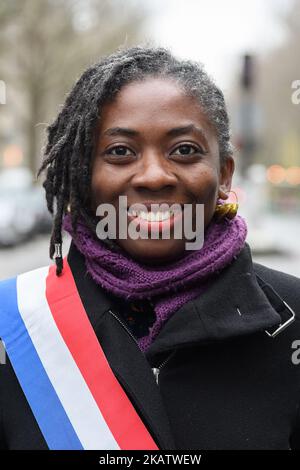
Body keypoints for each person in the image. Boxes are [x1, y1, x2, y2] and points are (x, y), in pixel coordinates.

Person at [0, 45, 300, 450]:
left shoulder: (292, 319)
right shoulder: (14, 327)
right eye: (120, 152)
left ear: (224, 174)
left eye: (184, 150)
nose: (154, 176)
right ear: (83, 175)